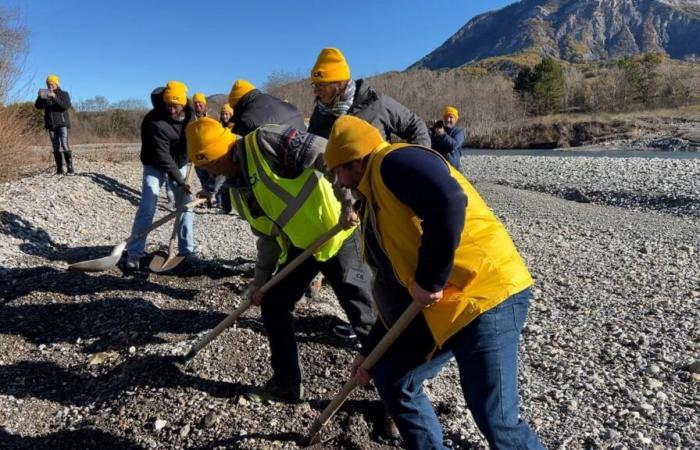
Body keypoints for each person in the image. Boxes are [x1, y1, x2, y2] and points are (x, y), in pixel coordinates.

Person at [324, 115, 545, 450]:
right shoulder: (375, 205)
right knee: (392, 378)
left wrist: (430, 278)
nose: (339, 181)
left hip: (485, 292)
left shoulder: (394, 161)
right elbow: (395, 290)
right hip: (444, 303)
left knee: (495, 417)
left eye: (339, 171)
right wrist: (369, 353)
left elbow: (448, 200)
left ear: (356, 161)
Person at [186, 117, 376, 404]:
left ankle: (393, 399)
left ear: (225, 151)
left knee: (364, 316)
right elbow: (267, 239)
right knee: (274, 305)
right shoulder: (237, 191)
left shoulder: (266, 141)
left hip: (338, 232)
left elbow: (325, 153)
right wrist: (259, 283)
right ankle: (286, 385)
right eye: (206, 168)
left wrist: (348, 201)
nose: (212, 173)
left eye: (212, 164)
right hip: (303, 248)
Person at [125, 81, 197, 271]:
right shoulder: (155, 121)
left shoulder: (191, 115)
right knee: (148, 205)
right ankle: (134, 253)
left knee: (186, 205)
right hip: (155, 163)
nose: (171, 110)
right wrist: (181, 181)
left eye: (175, 106)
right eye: (168, 105)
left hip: (180, 163)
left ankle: (186, 251)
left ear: (183, 104)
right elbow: (163, 157)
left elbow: (196, 138)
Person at [308, 47, 430, 147]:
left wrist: (416, 165)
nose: (316, 92)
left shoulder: (376, 103)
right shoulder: (318, 114)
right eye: (315, 86)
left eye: (321, 86)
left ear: (339, 83)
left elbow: (417, 126)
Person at [227, 79, 306, 136]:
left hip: (281, 157)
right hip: (307, 153)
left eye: (234, 107)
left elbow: (234, 148)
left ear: (238, 104)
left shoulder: (246, 120)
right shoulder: (276, 100)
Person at [35, 74, 74, 175]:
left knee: (65, 144)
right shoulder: (45, 95)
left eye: (51, 83)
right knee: (55, 146)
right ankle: (59, 169)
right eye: (48, 83)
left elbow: (65, 106)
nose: (49, 85)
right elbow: (37, 106)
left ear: (56, 83)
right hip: (50, 124)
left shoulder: (64, 94)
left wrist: (55, 97)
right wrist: (39, 96)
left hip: (62, 123)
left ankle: (70, 169)